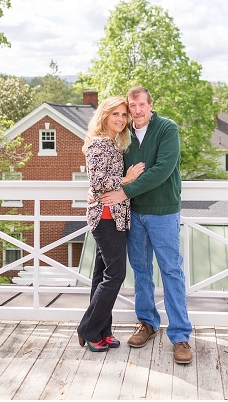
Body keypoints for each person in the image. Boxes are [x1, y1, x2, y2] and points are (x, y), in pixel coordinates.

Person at [99, 86, 193, 364]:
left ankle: (180, 336)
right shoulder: (123, 134)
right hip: (134, 213)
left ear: (151, 105)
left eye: (142, 105)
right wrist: (108, 188)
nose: (137, 110)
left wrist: (125, 191)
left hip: (163, 212)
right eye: (132, 106)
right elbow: (112, 168)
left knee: (171, 271)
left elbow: (162, 170)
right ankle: (147, 323)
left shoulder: (167, 128)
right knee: (141, 270)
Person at [76, 97, 144, 352]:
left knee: (101, 274)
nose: (121, 119)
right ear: (104, 115)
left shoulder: (114, 144)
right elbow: (97, 181)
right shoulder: (98, 144)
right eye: (116, 114)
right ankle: (88, 329)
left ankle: (102, 331)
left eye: (124, 115)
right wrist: (126, 179)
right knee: (116, 273)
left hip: (116, 216)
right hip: (105, 216)